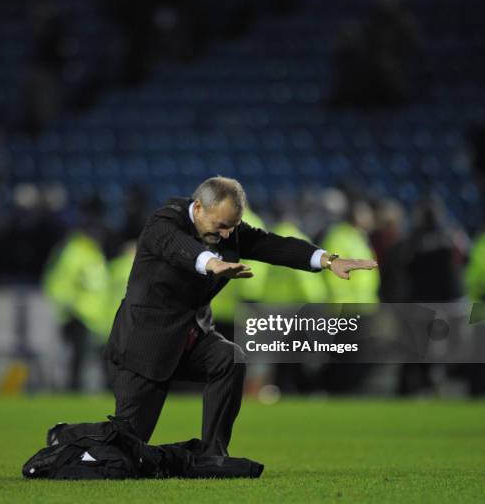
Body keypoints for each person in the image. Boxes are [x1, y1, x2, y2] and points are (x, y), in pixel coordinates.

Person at [103, 176, 377, 456]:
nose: (226, 234)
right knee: (125, 449)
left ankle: (213, 456)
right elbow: (180, 248)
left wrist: (329, 260)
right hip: (144, 344)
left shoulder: (227, 231)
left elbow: (274, 246)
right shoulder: (163, 222)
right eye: (220, 226)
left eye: (231, 227)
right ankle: (69, 441)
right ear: (198, 208)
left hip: (189, 338)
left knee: (228, 359)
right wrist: (212, 263)